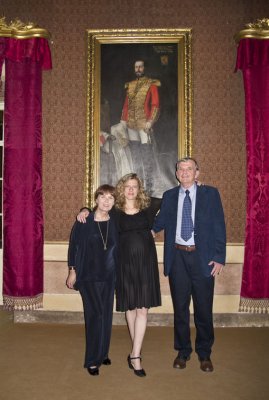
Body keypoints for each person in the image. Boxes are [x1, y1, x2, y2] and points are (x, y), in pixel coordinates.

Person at [77, 173, 161, 377]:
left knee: (143, 309)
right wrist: (85, 209)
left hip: (145, 264)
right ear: (122, 189)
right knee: (131, 308)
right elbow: (98, 209)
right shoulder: (115, 211)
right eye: (127, 186)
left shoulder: (149, 207)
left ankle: (135, 355)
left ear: (139, 188)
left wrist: (157, 228)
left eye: (135, 186)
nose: (131, 189)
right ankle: (135, 348)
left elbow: (174, 199)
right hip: (123, 265)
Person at [152, 157, 226, 372]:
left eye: (189, 169)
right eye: (181, 169)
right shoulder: (169, 196)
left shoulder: (210, 194)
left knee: (204, 309)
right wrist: (145, 231)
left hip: (203, 258)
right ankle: (183, 352)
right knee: (180, 309)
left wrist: (220, 257)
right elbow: (158, 222)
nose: (184, 172)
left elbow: (218, 225)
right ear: (176, 173)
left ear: (197, 173)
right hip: (178, 259)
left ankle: (205, 354)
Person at [66, 184, 117, 376]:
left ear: (114, 202)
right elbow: (74, 247)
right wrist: (72, 270)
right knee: (95, 315)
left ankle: (103, 352)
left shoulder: (116, 221)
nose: (106, 201)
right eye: (102, 197)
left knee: (106, 315)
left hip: (109, 277)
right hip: (88, 276)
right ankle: (92, 360)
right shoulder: (84, 221)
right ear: (95, 199)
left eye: (110, 198)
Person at [120, 60, 161, 195]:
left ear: (144, 68)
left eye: (140, 66)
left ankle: (148, 186)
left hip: (144, 123)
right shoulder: (130, 85)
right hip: (131, 124)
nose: (138, 69)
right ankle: (137, 184)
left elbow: (155, 104)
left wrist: (150, 121)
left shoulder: (151, 84)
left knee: (146, 155)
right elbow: (126, 106)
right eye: (136, 66)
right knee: (136, 155)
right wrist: (123, 121)